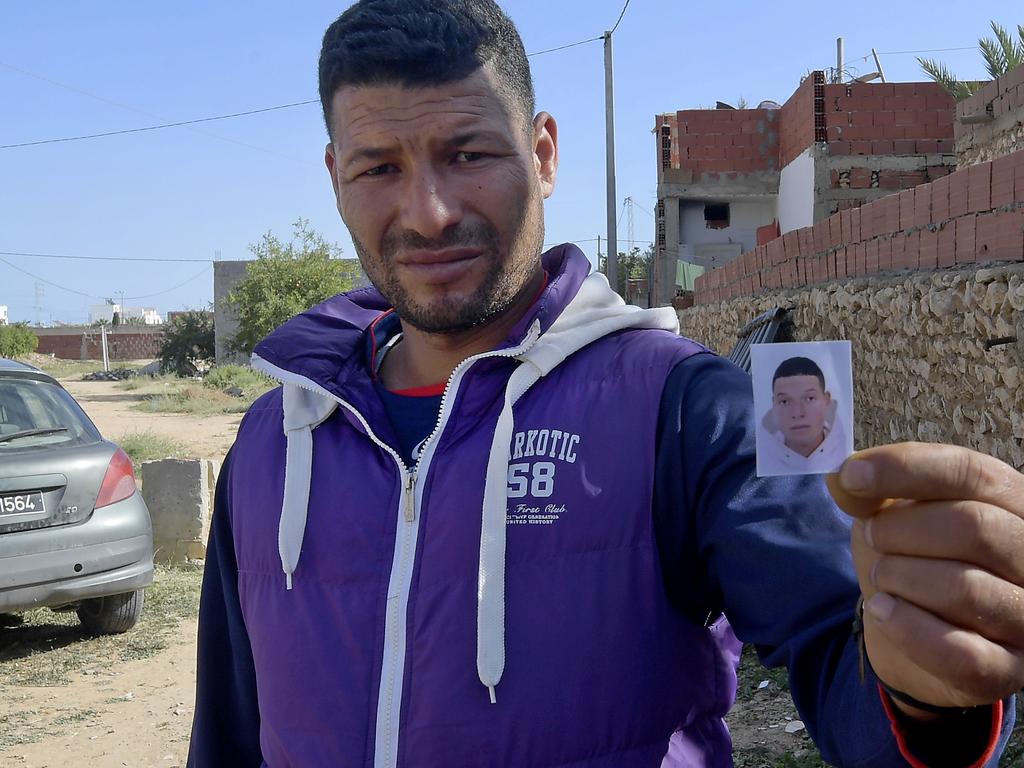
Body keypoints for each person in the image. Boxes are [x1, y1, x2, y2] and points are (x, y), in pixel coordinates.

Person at [187, 1, 1023, 765]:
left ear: (543, 153)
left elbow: (846, 671)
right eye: (379, 168)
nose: (429, 211)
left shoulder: (684, 410)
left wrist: (923, 688)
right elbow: (225, 740)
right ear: (335, 175)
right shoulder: (273, 442)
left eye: (467, 153)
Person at [758, 355, 848, 476]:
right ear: (774, 405)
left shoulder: (849, 458)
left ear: (826, 400)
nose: (797, 413)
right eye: (785, 401)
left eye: (810, 398)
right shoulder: (755, 463)